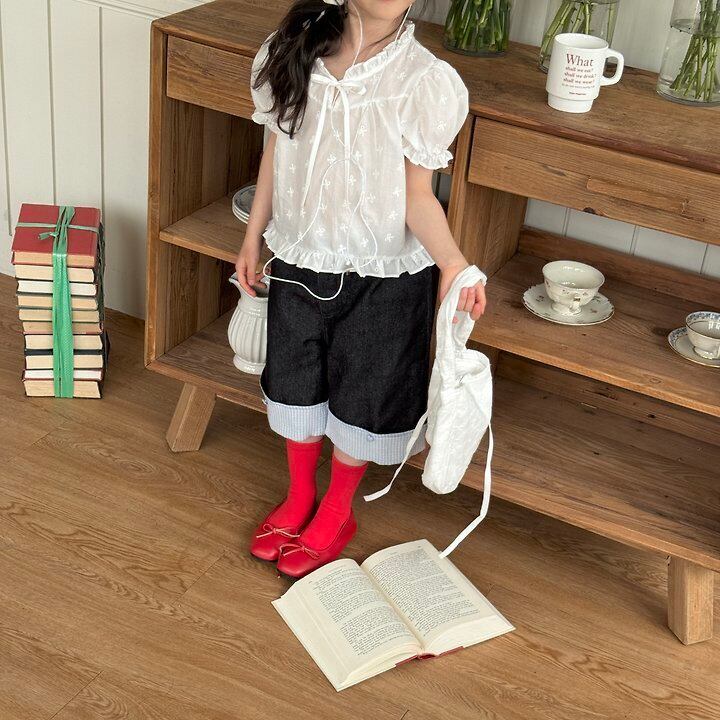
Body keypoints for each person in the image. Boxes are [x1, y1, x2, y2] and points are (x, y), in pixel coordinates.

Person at [236, 0, 487, 578]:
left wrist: (453, 263)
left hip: (385, 275)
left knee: (365, 393)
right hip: (301, 258)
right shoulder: (291, 50)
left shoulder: (423, 81)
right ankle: (299, 493)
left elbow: (418, 195)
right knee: (295, 382)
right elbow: (274, 153)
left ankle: (337, 508)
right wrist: (253, 239)